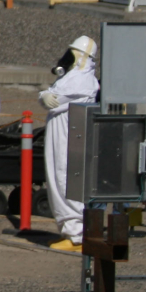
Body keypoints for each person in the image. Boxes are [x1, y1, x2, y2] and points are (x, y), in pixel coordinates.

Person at [40, 36, 100, 252]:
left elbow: (55, 100)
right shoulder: (70, 77)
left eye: (74, 53)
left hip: (69, 132)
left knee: (65, 176)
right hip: (60, 130)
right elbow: (50, 96)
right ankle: (69, 230)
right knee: (57, 177)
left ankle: (76, 234)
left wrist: (46, 95)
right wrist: (45, 94)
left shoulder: (82, 80)